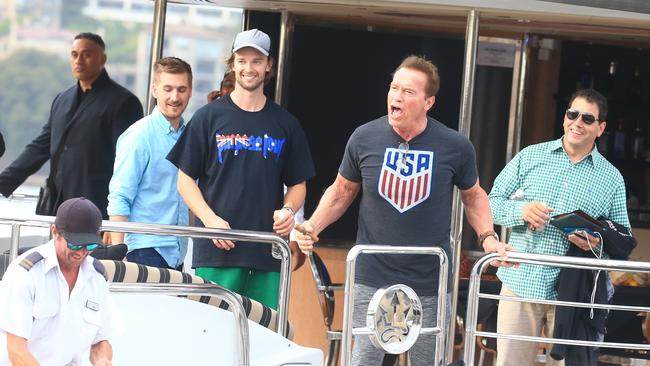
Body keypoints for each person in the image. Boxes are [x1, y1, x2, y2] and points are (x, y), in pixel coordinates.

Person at [294, 55, 510, 365]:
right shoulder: (364, 137)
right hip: (372, 273)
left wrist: (489, 238)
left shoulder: (455, 146)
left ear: (428, 102)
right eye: (394, 87)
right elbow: (342, 190)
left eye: (408, 91)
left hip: (429, 277)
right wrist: (312, 226)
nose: (397, 96)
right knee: (366, 358)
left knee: (428, 360)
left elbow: (473, 196)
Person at [167, 29, 315, 309]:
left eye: (257, 61)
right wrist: (210, 221)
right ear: (233, 64)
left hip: (268, 254)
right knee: (211, 334)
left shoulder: (286, 124)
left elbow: (298, 184)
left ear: (268, 65)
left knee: (264, 340)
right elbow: (185, 180)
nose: (249, 68)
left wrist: (288, 211)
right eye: (242, 60)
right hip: (217, 251)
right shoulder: (207, 117)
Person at [488, 88, 630, 366]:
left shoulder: (612, 178)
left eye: (587, 119)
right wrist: (522, 211)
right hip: (520, 284)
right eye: (572, 114)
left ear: (600, 128)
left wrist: (594, 240)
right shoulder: (530, 156)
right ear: (565, 118)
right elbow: (490, 203)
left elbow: (622, 239)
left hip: (571, 294)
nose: (577, 123)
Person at [0, 32, 143, 224]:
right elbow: (38, 148)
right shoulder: (62, 99)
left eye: (86, 54)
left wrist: (116, 220)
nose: (79, 60)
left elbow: (128, 164)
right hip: (58, 207)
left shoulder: (124, 102)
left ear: (103, 59)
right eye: (74, 54)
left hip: (98, 209)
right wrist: (2, 183)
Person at [0, 197, 115, 365]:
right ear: (54, 232)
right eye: (75, 244)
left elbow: (100, 341)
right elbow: (16, 349)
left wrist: (102, 360)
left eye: (90, 246)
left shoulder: (97, 276)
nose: (82, 252)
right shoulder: (25, 273)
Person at [107, 57, 193, 269]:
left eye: (181, 89)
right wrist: (120, 257)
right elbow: (120, 195)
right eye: (168, 89)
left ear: (190, 92)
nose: (175, 97)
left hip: (177, 252)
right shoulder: (139, 135)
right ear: (155, 90)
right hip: (143, 250)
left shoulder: (190, 135)